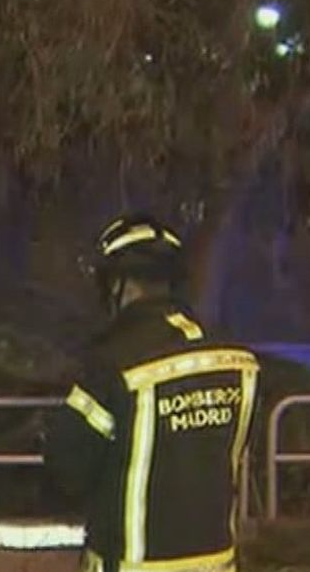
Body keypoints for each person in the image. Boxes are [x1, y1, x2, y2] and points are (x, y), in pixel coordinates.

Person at [45, 214, 260, 572]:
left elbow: (66, 468)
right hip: (217, 563)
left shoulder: (113, 364)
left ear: (120, 285)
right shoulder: (237, 363)